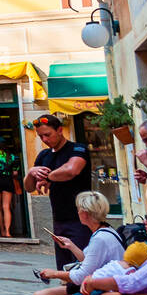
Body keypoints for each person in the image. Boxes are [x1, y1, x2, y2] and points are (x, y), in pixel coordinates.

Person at [30, 191, 124, 295]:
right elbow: (89, 262)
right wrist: (70, 246)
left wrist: (54, 274)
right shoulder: (104, 231)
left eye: (79, 209)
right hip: (95, 285)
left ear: (85, 213)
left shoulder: (100, 238)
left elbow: (80, 276)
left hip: (101, 291)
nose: (78, 212)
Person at [23, 114, 92, 269]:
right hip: (59, 219)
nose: (45, 140)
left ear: (60, 130)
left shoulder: (77, 149)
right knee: (64, 268)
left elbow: (71, 170)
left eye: (48, 135)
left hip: (82, 218)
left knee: (83, 266)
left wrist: (49, 176)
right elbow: (29, 188)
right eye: (41, 136)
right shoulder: (44, 155)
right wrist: (31, 172)